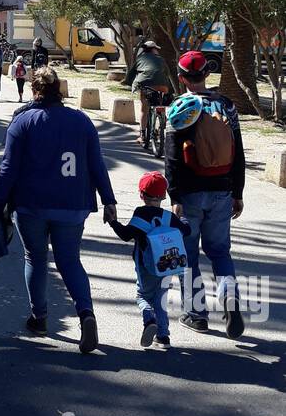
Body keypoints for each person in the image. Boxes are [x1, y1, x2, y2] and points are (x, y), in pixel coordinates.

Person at [0, 66, 117, 353]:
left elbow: (8, 168)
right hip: (73, 205)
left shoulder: (23, 122)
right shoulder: (82, 121)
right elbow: (97, 164)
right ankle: (86, 314)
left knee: (35, 257)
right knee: (70, 261)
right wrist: (109, 201)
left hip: (31, 205)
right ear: (60, 89)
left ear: (34, 90)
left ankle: (40, 318)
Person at [165, 50, 245, 338]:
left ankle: (196, 314)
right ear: (206, 75)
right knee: (220, 252)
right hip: (222, 191)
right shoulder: (226, 106)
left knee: (188, 257)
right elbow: (239, 153)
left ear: (182, 77)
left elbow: (172, 158)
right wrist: (238, 191)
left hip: (189, 195)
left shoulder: (180, 107)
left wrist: (174, 197)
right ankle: (230, 296)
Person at [105, 171, 191, 348]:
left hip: (145, 266)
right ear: (163, 196)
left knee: (142, 295)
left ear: (141, 195)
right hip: (166, 266)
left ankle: (148, 319)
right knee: (160, 298)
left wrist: (113, 222)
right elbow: (186, 231)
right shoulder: (169, 217)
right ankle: (163, 336)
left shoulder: (140, 214)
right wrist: (183, 217)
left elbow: (125, 235)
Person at [125, 39, 171, 146]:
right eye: (156, 49)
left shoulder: (140, 59)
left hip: (144, 84)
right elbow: (167, 73)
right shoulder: (161, 59)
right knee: (160, 103)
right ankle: (161, 123)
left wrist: (128, 83)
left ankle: (142, 135)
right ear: (153, 49)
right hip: (162, 85)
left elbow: (131, 74)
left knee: (144, 109)